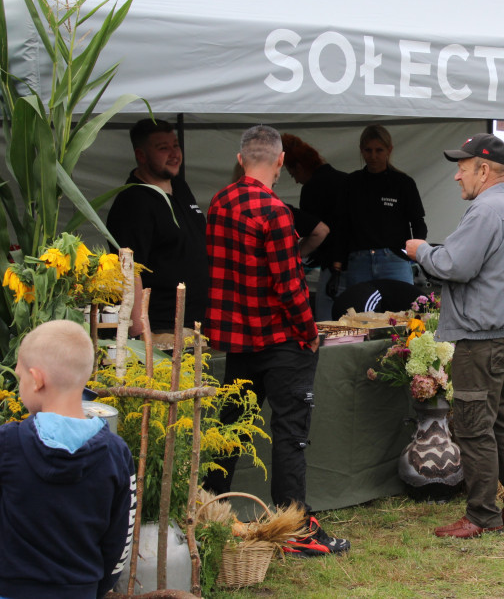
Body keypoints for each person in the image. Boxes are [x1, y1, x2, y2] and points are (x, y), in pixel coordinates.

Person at [204, 125, 349, 557]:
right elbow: (289, 285)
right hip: (280, 340)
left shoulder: (218, 202)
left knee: (231, 430)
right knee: (289, 435)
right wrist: (309, 333)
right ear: (281, 161)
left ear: (241, 157)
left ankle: (209, 515)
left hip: (239, 341)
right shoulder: (273, 210)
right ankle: (295, 530)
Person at [405, 133, 504, 539]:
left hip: (484, 337)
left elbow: (454, 265)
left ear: (483, 170)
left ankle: (482, 515)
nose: (456, 177)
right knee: (502, 422)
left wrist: (420, 251)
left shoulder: (485, 212)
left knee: (471, 426)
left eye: (461, 168)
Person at [0, 320, 135, 598]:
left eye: (20, 377)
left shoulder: (7, 445)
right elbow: (120, 538)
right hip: (81, 590)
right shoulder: (116, 453)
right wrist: (96, 588)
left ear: (37, 379)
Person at [106, 118, 208, 334]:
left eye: (176, 146)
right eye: (163, 148)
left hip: (196, 324)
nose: (174, 154)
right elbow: (129, 270)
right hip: (162, 329)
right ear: (141, 155)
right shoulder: (133, 201)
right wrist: (141, 334)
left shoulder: (179, 186)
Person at [341, 125, 427, 286]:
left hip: (394, 260)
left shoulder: (403, 183)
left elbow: (418, 223)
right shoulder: (351, 182)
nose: (373, 156)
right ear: (361, 150)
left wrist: (411, 253)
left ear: (389, 150)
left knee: (401, 310)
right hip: (359, 261)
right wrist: (340, 259)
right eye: (368, 150)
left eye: (379, 150)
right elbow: (342, 224)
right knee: (359, 310)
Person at [282, 134, 349, 320]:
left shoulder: (311, 188)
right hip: (356, 261)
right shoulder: (346, 180)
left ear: (299, 167)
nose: (295, 180)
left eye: (293, 174)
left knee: (326, 322)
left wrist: (298, 255)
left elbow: (318, 232)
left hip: (331, 265)